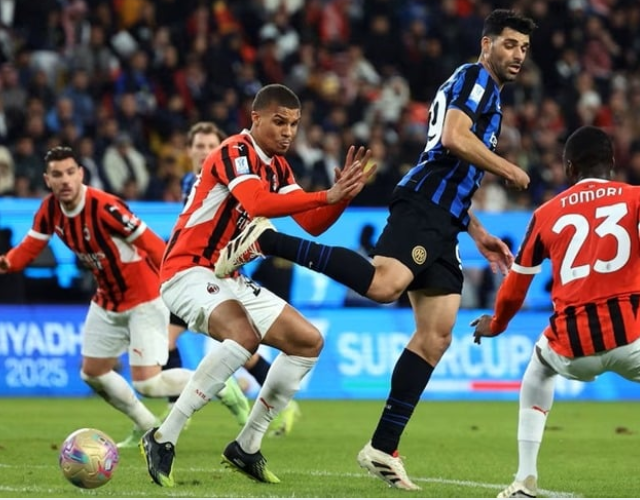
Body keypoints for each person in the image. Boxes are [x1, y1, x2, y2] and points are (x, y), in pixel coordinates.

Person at [214, 9, 534, 490]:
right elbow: (453, 139)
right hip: (424, 206)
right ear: (487, 44)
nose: (517, 55)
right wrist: (507, 168)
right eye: (509, 44)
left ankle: (383, 447)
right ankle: (265, 239)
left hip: (445, 218)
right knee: (384, 286)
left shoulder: (484, 90)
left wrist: (475, 229)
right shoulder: (477, 79)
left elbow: (450, 160)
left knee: (436, 335)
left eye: (524, 48)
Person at [471, 126, 640, 499]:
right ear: (613, 163)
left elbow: (517, 283)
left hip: (572, 347)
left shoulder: (545, 214)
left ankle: (525, 480)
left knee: (539, 365)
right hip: (637, 339)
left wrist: (497, 324)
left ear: (569, 168)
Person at [140, 83, 374, 487]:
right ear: (256, 118)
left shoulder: (278, 167)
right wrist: (325, 194)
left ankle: (246, 446)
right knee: (243, 336)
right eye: (280, 122)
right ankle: (163, 437)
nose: (288, 132)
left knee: (307, 342)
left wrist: (343, 197)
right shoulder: (234, 151)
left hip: (227, 275)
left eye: (294, 124)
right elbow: (258, 204)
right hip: (187, 270)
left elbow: (313, 224)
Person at [0, 146, 250, 449]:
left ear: (81, 174)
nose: (65, 180)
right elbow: (31, 245)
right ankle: (147, 426)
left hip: (144, 298)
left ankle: (220, 385)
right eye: (57, 175)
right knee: (92, 373)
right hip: (106, 301)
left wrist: (179, 280)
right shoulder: (49, 210)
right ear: (47, 180)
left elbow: (152, 244)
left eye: (70, 172)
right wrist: (8, 262)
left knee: (148, 384)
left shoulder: (105, 208)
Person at [165, 121, 301, 435]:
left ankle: (262, 402)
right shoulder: (189, 182)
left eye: (210, 145)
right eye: (198, 146)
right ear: (189, 151)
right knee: (176, 340)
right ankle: (189, 407)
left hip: (220, 271)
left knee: (240, 346)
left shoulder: (238, 175)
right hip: (193, 271)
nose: (204, 151)